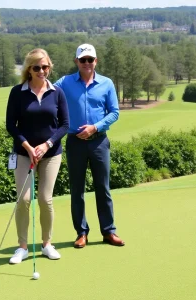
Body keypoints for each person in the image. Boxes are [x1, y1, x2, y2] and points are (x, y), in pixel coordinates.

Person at [54, 43, 125, 248]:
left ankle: (108, 231)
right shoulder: (65, 82)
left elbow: (114, 112)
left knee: (103, 188)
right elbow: (47, 90)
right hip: (75, 142)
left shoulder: (106, 83)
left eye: (90, 60)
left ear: (96, 61)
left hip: (99, 142)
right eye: (82, 60)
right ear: (76, 61)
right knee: (77, 190)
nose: (87, 63)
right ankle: (81, 233)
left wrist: (95, 127)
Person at [6, 48, 69, 263]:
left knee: (44, 198)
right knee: (23, 199)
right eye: (37, 67)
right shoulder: (17, 92)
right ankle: (22, 247)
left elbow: (65, 125)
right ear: (29, 69)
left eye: (45, 66)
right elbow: (10, 125)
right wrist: (28, 147)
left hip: (51, 154)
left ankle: (46, 244)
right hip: (24, 154)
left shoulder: (57, 92)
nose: (42, 71)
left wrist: (47, 144)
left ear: (49, 67)